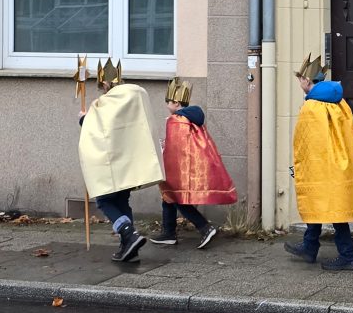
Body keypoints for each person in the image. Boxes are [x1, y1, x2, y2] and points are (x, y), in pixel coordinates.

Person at [284, 54, 353, 270]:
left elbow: (306, 143)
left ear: (307, 80)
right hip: (339, 165)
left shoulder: (312, 107)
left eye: (300, 79)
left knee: (333, 210)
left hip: (321, 167)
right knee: (322, 204)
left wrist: (299, 167)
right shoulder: (339, 102)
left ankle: (348, 256)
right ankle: (309, 246)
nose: (300, 84)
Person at [78, 58, 163, 262]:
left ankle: (127, 233)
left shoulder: (102, 104)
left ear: (105, 84)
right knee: (122, 200)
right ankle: (128, 245)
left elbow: (97, 130)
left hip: (110, 164)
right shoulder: (135, 95)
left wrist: (83, 118)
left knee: (104, 200)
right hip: (126, 163)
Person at [149, 77, 237, 249]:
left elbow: (176, 148)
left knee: (176, 197)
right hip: (189, 166)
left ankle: (204, 227)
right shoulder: (191, 118)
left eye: (168, 103)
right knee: (169, 197)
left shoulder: (176, 120)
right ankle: (168, 233)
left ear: (175, 102)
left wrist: (164, 151)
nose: (167, 106)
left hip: (178, 168)